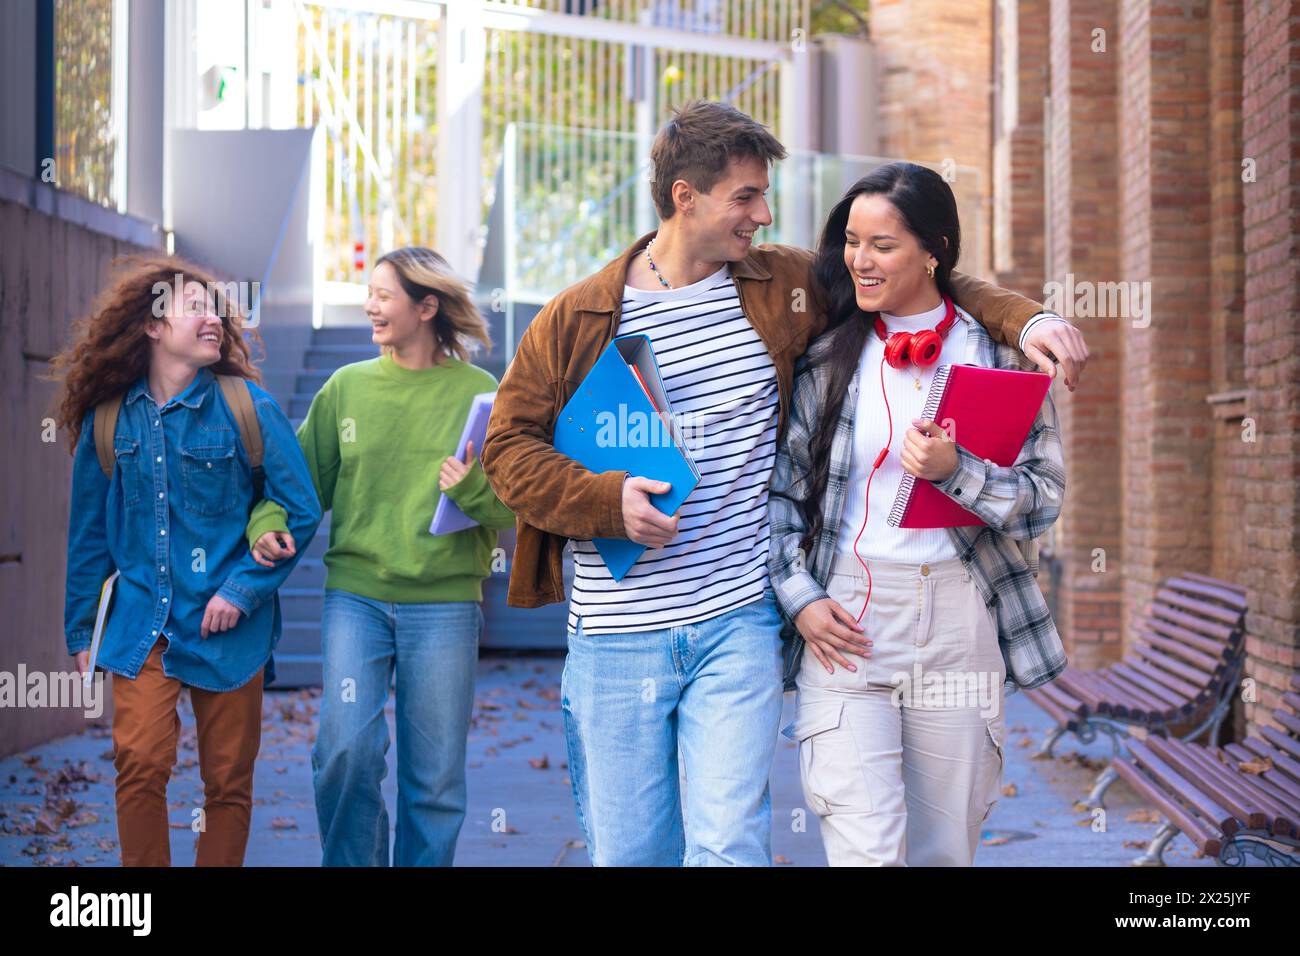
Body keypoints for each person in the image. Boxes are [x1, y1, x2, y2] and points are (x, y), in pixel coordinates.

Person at [481, 100, 1088, 866]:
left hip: (738, 623)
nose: (763, 216)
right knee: (631, 852)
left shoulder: (784, 287)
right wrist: (606, 501)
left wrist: (1025, 320)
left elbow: (916, 279)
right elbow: (507, 447)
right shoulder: (580, 315)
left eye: (765, 196)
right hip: (616, 632)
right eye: (746, 197)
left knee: (730, 846)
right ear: (685, 197)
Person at [768, 162, 1068, 866]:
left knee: (943, 852)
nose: (858, 261)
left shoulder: (1001, 358)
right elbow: (778, 500)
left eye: (883, 245)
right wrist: (801, 598)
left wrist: (955, 472)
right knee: (866, 850)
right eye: (852, 241)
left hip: (961, 618)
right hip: (846, 616)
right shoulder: (824, 359)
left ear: (934, 251)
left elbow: (1042, 500)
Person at [246, 246, 515, 866]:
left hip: (445, 603)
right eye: (369, 293)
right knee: (344, 752)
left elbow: (514, 508)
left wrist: (471, 489)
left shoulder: (481, 393)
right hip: (356, 598)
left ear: (427, 306)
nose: (370, 305)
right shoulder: (346, 389)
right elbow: (294, 485)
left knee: (436, 781)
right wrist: (265, 521)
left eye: (383, 294)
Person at [55, 255, 321, 866]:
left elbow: (300, 508)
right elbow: (88, 536)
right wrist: (79, 628)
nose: (213, 320)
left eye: (216, 309)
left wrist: (244, 590)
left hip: (230, 628)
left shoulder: (247, 407)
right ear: (152, 326)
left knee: (228, 783)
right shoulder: (108, 420)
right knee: (140, 764)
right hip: (140, 621)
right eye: (195, 307)